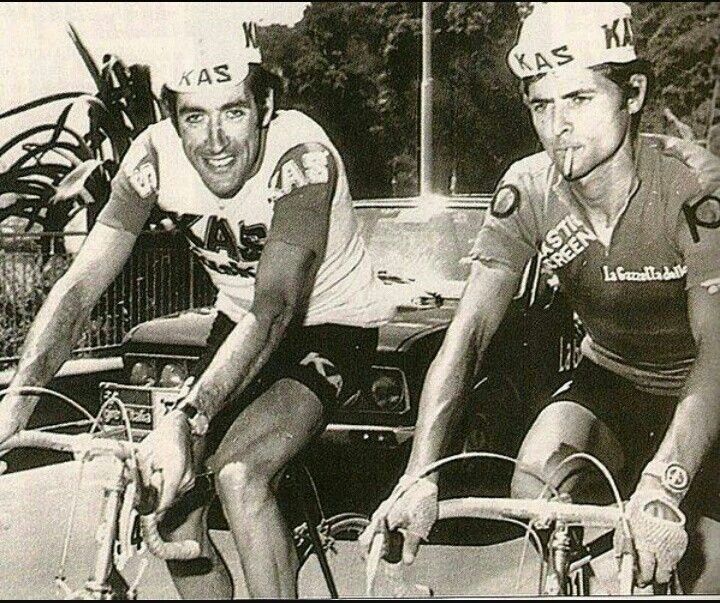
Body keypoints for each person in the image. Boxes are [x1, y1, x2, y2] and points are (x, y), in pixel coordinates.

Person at [0, 21, 393, 598]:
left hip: (327, 325)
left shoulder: (302, 157)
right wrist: (19, 399)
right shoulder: (153, 157)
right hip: (238, 325)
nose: (215, 141)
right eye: (193, 117)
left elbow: (276, 308)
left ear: (265, 107)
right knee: (166, 495)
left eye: (233, 112)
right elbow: (80, 287)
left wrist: (187, 417)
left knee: (239, 475)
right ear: (171, 117)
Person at [361, 2, 720, 593]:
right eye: (541, 104)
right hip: (613, 379)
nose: (558, 125)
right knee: (535, 480)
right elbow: (468, 335)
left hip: (704, 389)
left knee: (702, 571)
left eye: (579, 99)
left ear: (633, 94)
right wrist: (418, 473)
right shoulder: (529, 189)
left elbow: (716, 346)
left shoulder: (690, 189)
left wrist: (668, 479)